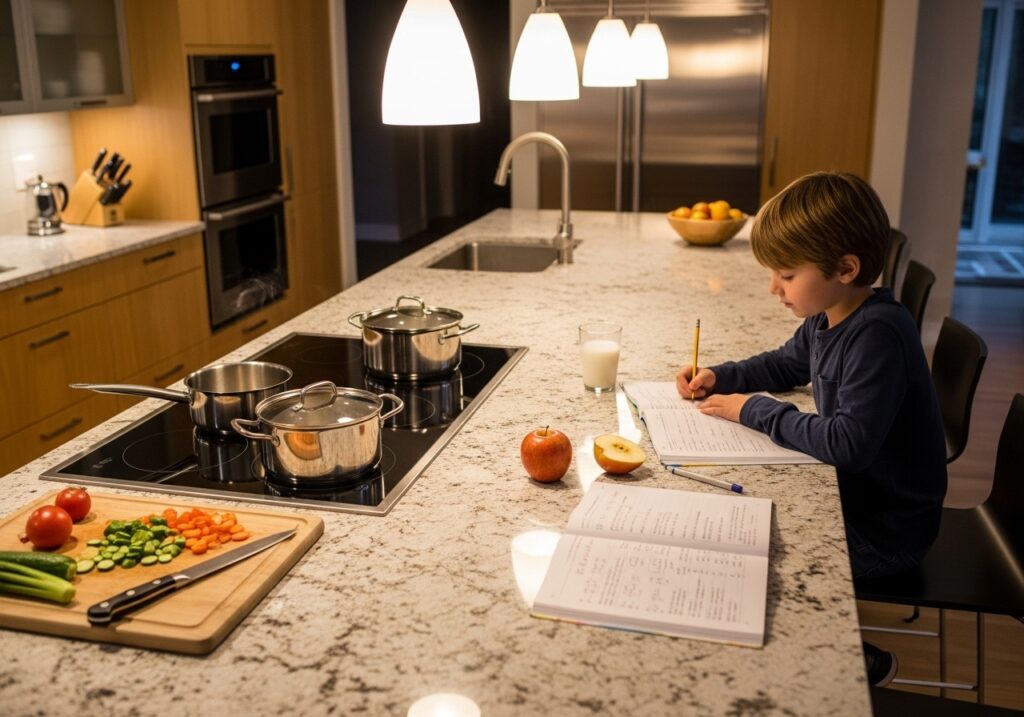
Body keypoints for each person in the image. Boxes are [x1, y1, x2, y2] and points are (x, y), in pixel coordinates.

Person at [676, 172, 947, 686]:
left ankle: (844, 661)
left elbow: (847, 444)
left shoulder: (878, 335)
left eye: (786, 274)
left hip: (887, 531)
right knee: (747, 529)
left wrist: (750, 409)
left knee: (764, 549)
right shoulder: (832, 313)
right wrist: (721, 377)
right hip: (862, 502)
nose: (774, 288)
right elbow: (785, 364)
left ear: (845, 269)